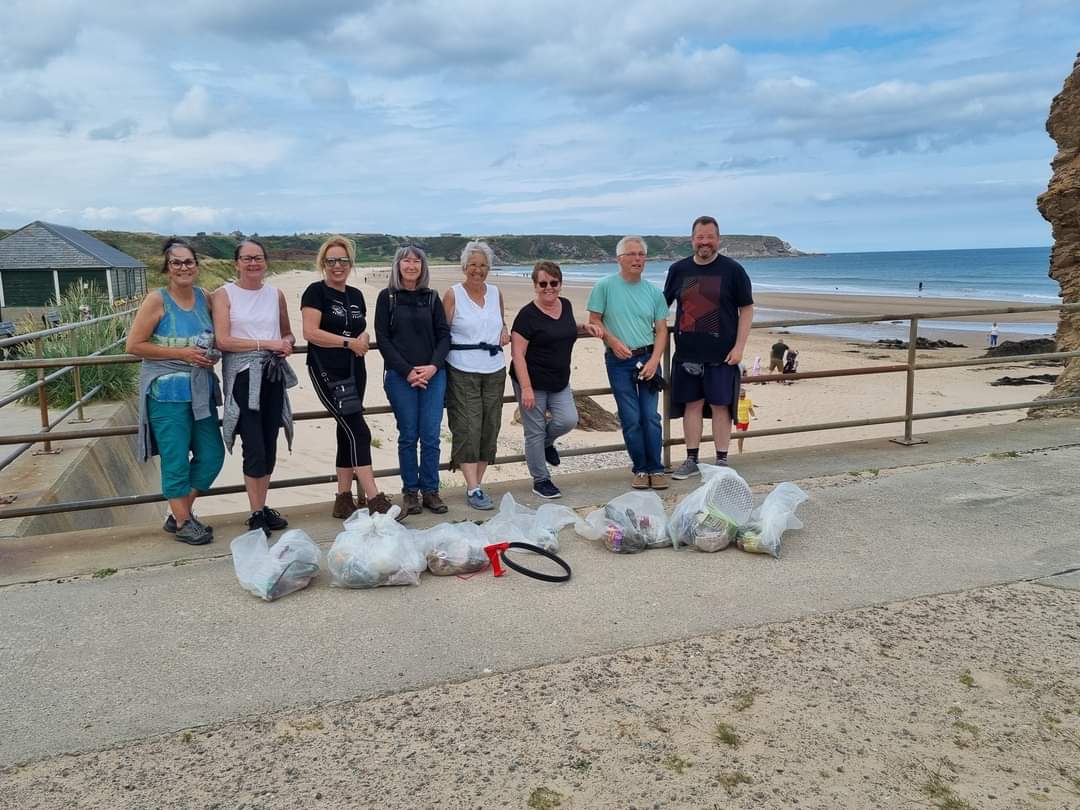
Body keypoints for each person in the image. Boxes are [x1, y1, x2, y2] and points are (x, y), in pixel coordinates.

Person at [128, 238, 225, 545]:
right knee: (175, 459)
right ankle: (184, 521)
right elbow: (134, 345)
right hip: (165, 395)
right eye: (177, 262)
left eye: (189, 262)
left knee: (212, 455)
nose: (184, 267)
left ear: (196, 266)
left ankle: (178, 513)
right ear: (167, 268)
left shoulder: (204, 297)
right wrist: (184, 355)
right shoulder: (157, 300)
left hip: (200, 391)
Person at [301, 235, 397, 519]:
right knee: (359, 430)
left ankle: (343, 499)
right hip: (326, 370)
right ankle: (375, 499)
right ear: (323, 264)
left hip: (355, 369)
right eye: (331, 261)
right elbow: (311, 332)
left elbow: (359, 328)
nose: (337, 266)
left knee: (346, 432)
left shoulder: (355, 295)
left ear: (350, 263)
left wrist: (363, 336)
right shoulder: (314, 292)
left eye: (342, 260)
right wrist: (348, 343)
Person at [213, 239, 298, 536]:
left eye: (258, 258)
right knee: (254, 445)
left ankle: (263, 507)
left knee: (269, 443)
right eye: (247, 258)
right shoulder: (223, 295)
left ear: (265, 262)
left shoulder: (276, 294)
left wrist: (286, 344)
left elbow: (287, 333)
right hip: (243, 376)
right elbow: (223, 341)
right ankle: (255, 512)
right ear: (236, 262)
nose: (253, 263)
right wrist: (266, 344)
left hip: (273, 374)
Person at [664, 216, 754, 477]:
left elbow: (746, 309)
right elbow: (661, 306)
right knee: (691, 405)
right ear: (692, 240)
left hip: (722, 355)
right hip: (687, 354)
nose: (705, 242)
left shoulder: (733, 270)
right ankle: (691, 459)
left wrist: (739, 348)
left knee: (720, 406)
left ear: (718, 240)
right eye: (700, 237)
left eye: (710, 237)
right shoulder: (679, 270)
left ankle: (721, 461)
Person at [510, 261, 603, 499]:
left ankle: (544, 445)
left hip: (560, 380)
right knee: (534, 431)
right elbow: (517, 354)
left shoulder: (567, 305)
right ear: (535, 285)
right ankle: (541, 480)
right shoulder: (526, 316)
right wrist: (527, 388)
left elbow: (566, 329)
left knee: (568, 420)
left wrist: (585, 327)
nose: (549, 288)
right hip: (532, 382)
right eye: (543, 283)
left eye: (554, 283)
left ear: (560, 284)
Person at [587, 236, 669, 490]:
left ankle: (656, 468)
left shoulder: (654, 292)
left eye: (641, 255)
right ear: (619, 259)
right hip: (619, 362)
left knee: (650, 417)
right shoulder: (604, 286)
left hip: (648, 359)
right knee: (631, 417)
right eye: (631, 254)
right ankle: (641, 469)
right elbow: (594, 320)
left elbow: (662, 330)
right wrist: (612, 341)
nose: (637, 259)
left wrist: (655, 360)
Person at [374, 246, 451, 515]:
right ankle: (410, 492)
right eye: (406, 260)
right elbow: (382, 339)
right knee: (408, 436)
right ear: (398, 265)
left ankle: (430, 490)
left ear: (423, 267)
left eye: (417, 261)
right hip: (399, 376)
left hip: (433, 375)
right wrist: (407, 371)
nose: (411, 265)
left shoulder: (432, 297)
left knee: (431, 436)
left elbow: (444, 336)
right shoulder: (387, 298)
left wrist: (432, 368)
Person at [443, 241, 510, 510]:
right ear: (464, 267)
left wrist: (504, 330)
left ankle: (478, 484)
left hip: (494, 369)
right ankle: (472, 487)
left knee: (490, 427)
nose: (477, 270)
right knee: (467, 427)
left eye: (483, 265)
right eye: (473, 265)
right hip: (461, 368)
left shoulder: (496, 293)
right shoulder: (453, 294)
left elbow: (500, 323)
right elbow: (441, 333)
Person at [734, 389, 756, 453]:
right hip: (739, 421)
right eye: (741, 396)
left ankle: (741, 448)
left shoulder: (748, 401)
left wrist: (753, 416)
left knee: (743, 437)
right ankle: (740, 451)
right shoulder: (735, 402)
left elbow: (750, 410)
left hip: (746, 421)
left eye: (743, 396)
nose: (742, 397)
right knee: (740, 436)